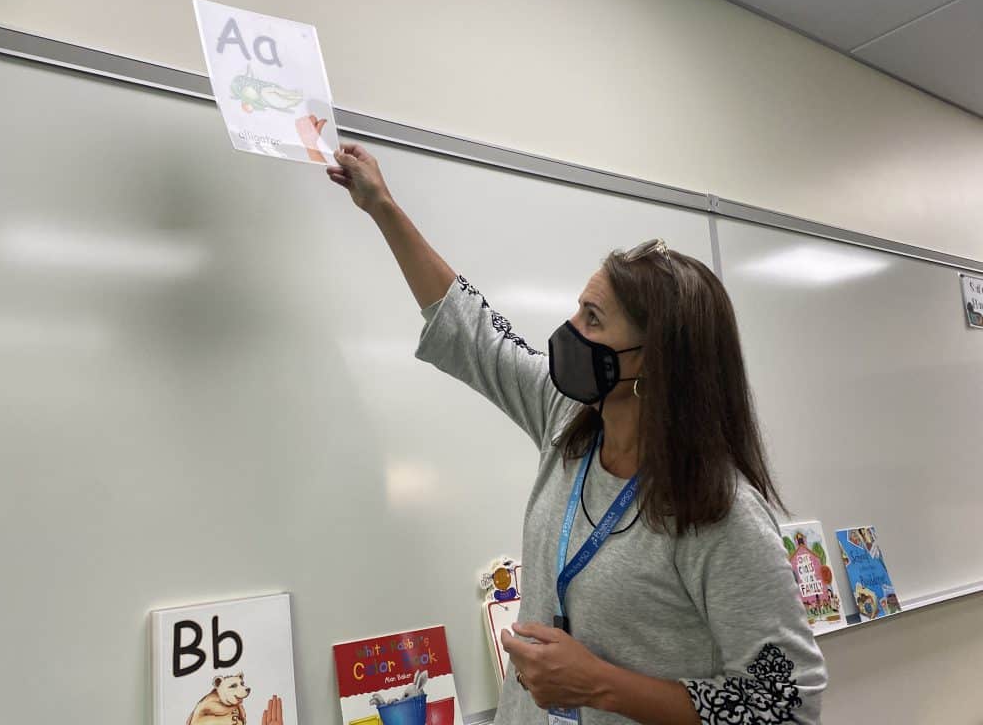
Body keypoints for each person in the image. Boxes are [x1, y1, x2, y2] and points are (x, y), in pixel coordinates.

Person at [327, 144, 827, 725]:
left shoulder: (719, 513)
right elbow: (472, 334)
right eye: (577, 310)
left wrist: (603, 686)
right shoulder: (568, 419)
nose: (569, 331)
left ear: (655, 361)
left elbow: (788, 704)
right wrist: (382, 206)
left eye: (594, 319)